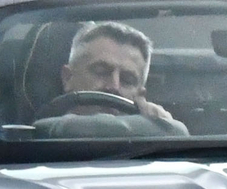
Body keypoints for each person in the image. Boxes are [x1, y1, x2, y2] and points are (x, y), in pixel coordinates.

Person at [48, 20, 187, 134]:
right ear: (68, 78)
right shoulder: (31, 143)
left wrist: (165, 134)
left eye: (127, 80)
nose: (114, 86)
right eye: (101, 72)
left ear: (140, 95)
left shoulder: (154, 153)